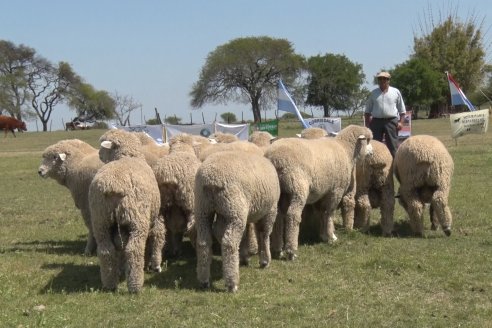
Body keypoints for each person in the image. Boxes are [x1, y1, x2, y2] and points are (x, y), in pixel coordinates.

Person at [364, 71, 406, 158]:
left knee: (393, 146)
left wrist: (401, 122)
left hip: (391, 121)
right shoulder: (373, 93)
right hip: (376, 122)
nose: (382, 80)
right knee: (374, 146)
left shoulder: (395, 92)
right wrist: (367, 125)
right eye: (380, 79)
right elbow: (367, 111)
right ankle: (375, 167)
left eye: (384, 79)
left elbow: (402, 110)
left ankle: (394, 169)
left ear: (388, 80)